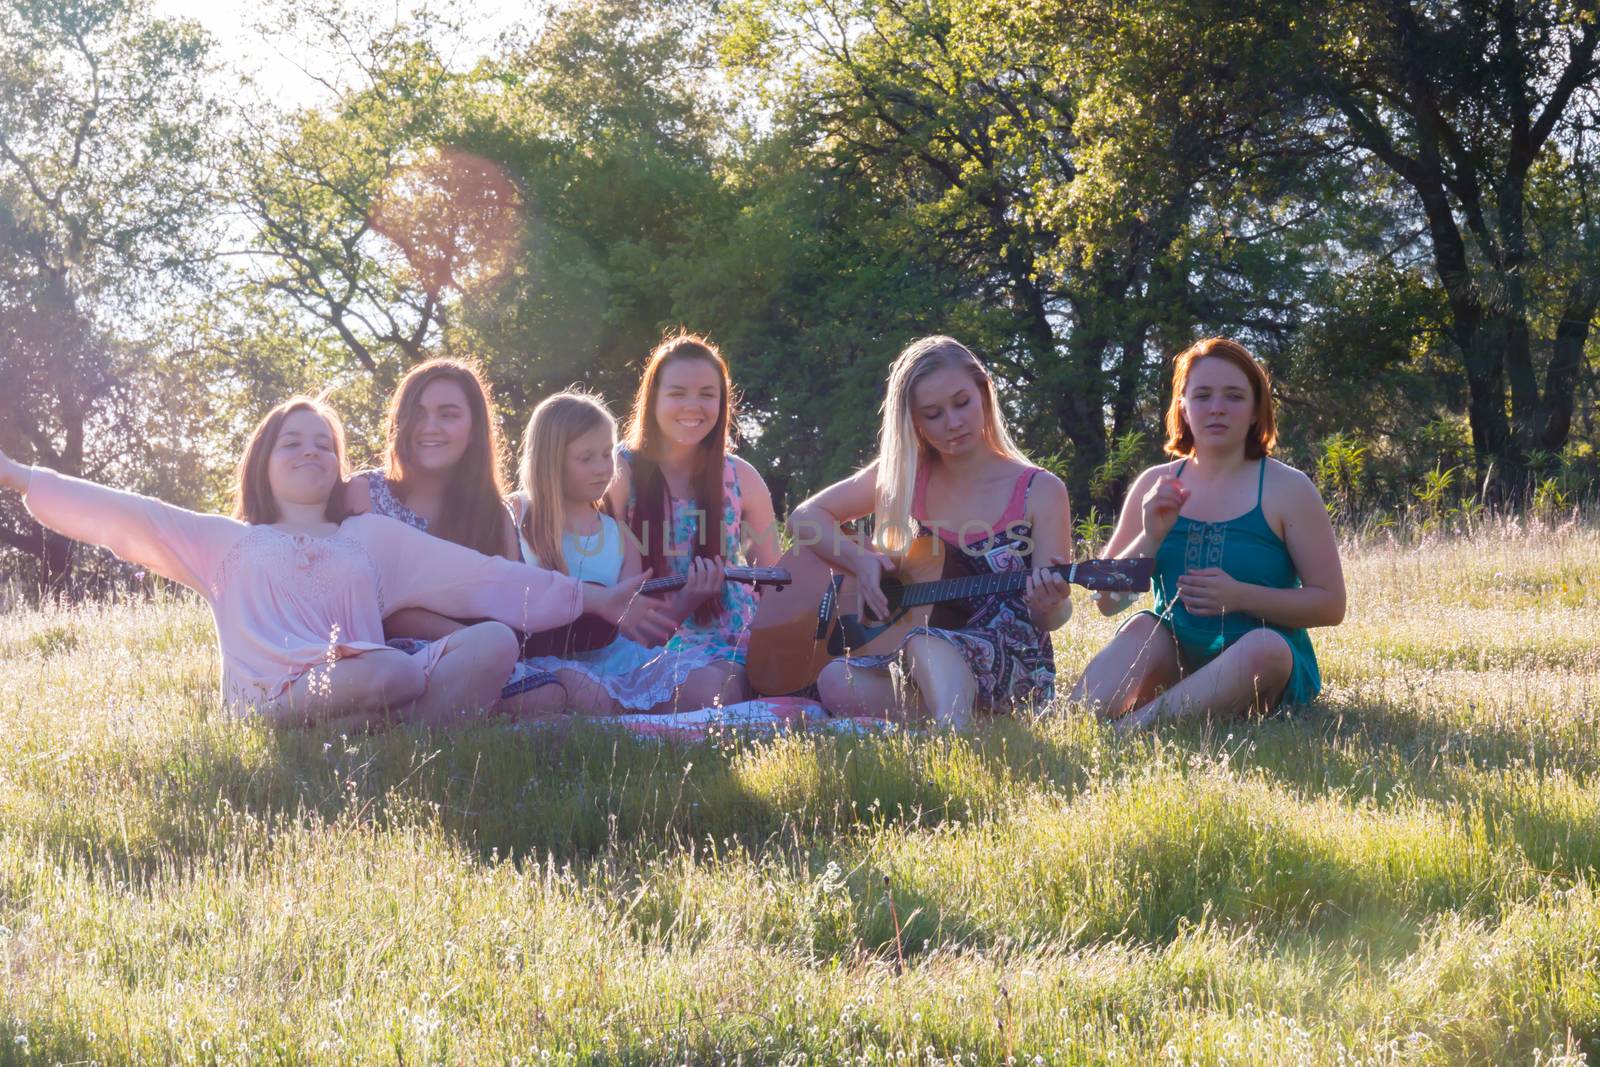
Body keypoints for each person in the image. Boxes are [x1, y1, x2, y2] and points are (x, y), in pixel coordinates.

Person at [0, 396, 673, 729]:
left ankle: (394, 747)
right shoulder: (223, 542)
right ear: (262, 461)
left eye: (324, 443)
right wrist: (18, 474)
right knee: (385, 669)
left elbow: (487, 578)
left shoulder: (369, 536)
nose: (311, 450)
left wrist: (588, 598)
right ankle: (343, 732)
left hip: (382, 681)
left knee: (491, 640)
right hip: (285, 696)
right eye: (292, 441)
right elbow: (124, 511)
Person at [785, 335, 1073, 729]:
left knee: (924, 640)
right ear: (914, 422)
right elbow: (805, 517)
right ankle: (979, 721)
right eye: (933, 414)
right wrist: (861, 562)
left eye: (962, 403)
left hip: (1013, 662)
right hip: (919, 658)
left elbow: (1050, 618)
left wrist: (1050, 603)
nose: (953, 422)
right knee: (836, 679)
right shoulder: (906, 476)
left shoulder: (1041, 490)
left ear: (984, 394)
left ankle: (954, 730)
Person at [1070, 337, 1346, 733]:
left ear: (1255, 410)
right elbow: (1108, 604)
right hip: (1175, 649)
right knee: (1138, 628)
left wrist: (1241, 597)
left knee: (1265, 648)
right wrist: (1150, 535)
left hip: (1258, 661)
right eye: (1202, 395)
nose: (1216, 408)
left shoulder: (1289, 488)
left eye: (1234, 396)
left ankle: (1136, 729)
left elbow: (1330, 605)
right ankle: (1102, 719)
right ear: (1182, 406)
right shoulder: (1156, 483)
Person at [343, 358, 567, 714]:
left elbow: (510, 607)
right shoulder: (363, 493)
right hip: (380, 656)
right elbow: (373, 604)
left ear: (474, 428)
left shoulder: (493, 514)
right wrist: (463, 637)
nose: (429, 427)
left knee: (550, 694)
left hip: (471, 654)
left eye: (448, 414)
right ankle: (400, 727)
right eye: (418, 413)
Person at [510, 390, 727, 713]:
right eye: (586, 458)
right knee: (585, 694)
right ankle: (627, 713)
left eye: (607, 454)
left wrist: (689, 598)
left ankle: (628, 711)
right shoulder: (516, 514)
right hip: (542, 661)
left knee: (716, 684)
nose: (602, 468)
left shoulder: (620, 536)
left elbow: (639, 634)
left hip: (614, 660)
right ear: (549, 460)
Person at [607, 333, 782, 710]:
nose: (693, 406)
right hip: (646, 639)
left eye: (707, 394)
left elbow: (774, 581)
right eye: (677, 393)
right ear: (652, 399)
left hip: (730, 639)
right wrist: (685, 598)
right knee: (702, 692)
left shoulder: (740, 476)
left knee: (721, 690)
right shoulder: (619, 472)